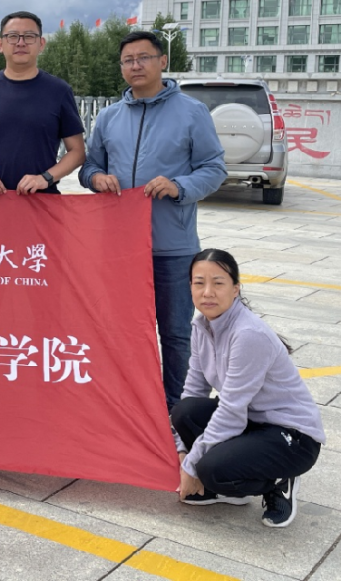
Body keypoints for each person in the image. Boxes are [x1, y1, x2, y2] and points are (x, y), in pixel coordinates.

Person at [79, 29, 226, 410]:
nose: (136, 65)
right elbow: (90, 166)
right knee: (118, 330)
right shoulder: (109, 117)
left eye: (143, 58)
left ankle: (178, 408)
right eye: (128, 60)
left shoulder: (191, 112)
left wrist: (179, 186)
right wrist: (96, 178)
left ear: (162, 61)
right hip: (119, 248)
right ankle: (124, 404)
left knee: (175, 333)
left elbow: (214, 168)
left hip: (172, 246)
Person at [173, 249, 325, 528]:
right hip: (251, 421)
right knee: (185, 411)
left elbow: (231, 411)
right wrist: (183, 451)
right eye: (199, 283)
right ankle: (230, 488)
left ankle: (279, 481)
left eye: (218, 283)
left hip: (292, 436)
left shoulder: (248, 334)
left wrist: (191, 467)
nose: (207, 292)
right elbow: (193, 392)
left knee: (210, 468)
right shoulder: (201, 327)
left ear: (236, 289)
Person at [0, 11, 85, 195]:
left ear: (41, 44)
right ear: (1, 44)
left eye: (29, 36)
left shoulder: (59, 91)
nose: (21, 43)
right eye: (13, 36)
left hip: (41, 201)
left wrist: (45, 178)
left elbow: (77, 152)